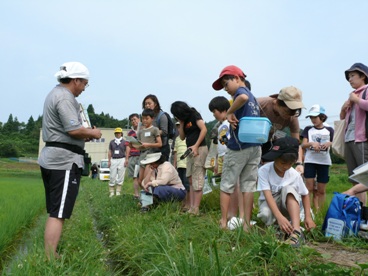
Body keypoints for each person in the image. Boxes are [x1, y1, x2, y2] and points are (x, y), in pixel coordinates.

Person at [38, 61, 102, 259]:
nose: (84, 88)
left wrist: (85, 134)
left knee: (55, 210)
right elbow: (73, 129)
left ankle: (51, 253)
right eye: (84, 83)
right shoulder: (65, 98)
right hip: (63, 161)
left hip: (53, 158)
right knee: (59, 212)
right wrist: (93, 132)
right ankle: (50, 257)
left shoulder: (54, 93)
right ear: (75, 80)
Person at [212, 65, 261, 231]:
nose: (225, 89)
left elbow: (242, 99)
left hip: (239, 147)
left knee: (227, 185)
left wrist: (229, 112)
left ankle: (224, 222)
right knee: (248, 186)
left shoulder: (242, 93)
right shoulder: (254, 99)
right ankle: (246, 224)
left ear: (237, 78)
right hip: (254, 146)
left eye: (226, 84)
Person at [257, 137, 316, 247]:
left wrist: (308, 217)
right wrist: (279, 217)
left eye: (289, 164)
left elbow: (305, 194)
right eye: (282, 163)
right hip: (270, 204)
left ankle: (296, 232)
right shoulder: (264, 170)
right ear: (275, 158)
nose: (285, 167)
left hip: (288, 206)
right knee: (265, 213)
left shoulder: (294, 174)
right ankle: (278, 227)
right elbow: (268, 195)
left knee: (288, 189)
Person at [208, 96, 244, 222]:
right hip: (224, 157)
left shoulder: (228, 123)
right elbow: (221, 145)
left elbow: (227, 142)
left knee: (233, 186)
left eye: (214, 112)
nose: (214, 115)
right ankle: (230, 212)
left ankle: (232, 214)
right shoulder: (222, 125)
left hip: (231, 156)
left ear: (222, 110)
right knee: (230, 186)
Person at [171, 101, 208, 215]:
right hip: (190, 151)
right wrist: (181, 124)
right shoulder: (184, 120)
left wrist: (196, 145)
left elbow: (204, 129)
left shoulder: (193, 114)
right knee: (190, 179)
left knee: (197, 179)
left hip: (200, 149)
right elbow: (182, 137)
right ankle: (191, 207)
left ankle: (196, 208)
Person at [257, 86, 305, 173]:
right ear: (279, 102)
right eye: (287, 111)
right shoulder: (261, 104)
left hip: (267, 143)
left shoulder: (292, 117)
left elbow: (296, 142)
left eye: (294, 111)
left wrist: (299, 163)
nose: (290, 115)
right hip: (248, 142)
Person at [340, 62, 368, 206]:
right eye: (349, 77)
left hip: (362, 139)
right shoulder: (352, 95)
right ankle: (359, 210)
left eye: (352, 76)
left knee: (365, 177)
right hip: (349, 139)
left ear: (363, 76)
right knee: (355, 178)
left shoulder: (366, 91)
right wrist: (344, 108)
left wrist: (356, 100)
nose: (350, 79)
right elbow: (342, 118)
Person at [301, 104, 334, 211]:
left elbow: (334, 142)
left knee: (321, 190)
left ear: (322, 117)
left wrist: (329, 143)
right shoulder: (308, 129)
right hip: (310, 161)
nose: (313, 120)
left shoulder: (329, 129)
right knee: (308, 188)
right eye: (311, 117)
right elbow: (303, 145)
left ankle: (321, 212)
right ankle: (307, 211)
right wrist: (311, 143)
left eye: (315, 117)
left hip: (324, 162)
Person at [133, 108, 162, 188]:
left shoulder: (155, 129)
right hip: (142, 157)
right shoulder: (141, 132)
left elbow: (160, 144)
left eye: (147, 118)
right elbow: (139, 146)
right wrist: (135, 145)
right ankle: (145, 197)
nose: (145, 121)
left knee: (147, 180)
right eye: (143, 118)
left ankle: (151, 198)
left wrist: (148, 145)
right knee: (140, 181)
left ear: (152, 119)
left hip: (151, 157)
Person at [142, 94, 171, 161]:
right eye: (145, 104)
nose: (147, 106)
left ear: (155, 104)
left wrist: (152, 131)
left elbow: (164, 131)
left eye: (149, 103)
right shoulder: (144, 116)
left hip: (162, 148)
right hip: (149, 149)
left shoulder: (162, 116)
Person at [173, 121, 190, 210]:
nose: (179, 128)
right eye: (178, 127)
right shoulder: (177, 139)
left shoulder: (188, 137)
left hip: (187, 164)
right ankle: (183, 203)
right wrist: (174, 165)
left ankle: (188, 204)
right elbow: (175, 153)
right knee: (181, 185)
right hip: (179, 165)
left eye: (181, 126)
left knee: (187, 185)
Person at [125, 113, 141, 199]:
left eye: (135, 119)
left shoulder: (143, 129)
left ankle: (145, 195)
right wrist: (127, 158)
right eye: (132, 120)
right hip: (132, 156)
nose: (133, 121)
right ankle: (136, 194)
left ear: (139, 119)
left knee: (141, 176)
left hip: (141, 155)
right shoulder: (130, 133)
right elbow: (128, 145)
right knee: (134, 176)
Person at [108, 127, 127, 197]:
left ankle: (118, 191)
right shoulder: (112, 142)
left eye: (118, 133)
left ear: (121, 133)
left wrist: (126, 159)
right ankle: (111, 191)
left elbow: (126, 151)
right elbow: (110, 151)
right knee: (112, 175)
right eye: (116, 133)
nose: (117, 134)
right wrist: (109, 160)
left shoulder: (124, 142)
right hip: (113, 159)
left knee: (121, 175)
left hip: (122, 159)